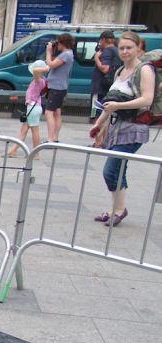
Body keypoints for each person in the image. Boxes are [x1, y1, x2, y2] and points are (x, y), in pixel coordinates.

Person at [88, 31, 153, 228]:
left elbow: (147, 99)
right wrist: (99, 123)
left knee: (111, 170)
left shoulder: (144, 70)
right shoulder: (119, 71)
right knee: (118, 169)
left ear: (138, 49)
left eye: (129, 48)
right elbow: (110, 102)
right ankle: (117, 209)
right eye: (122, 48)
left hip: (134, 129)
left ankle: (119, 210)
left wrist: (118, 107)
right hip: (117, 127)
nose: (125, 51)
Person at [5, 60, 47, 158]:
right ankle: (13, 150)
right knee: (24, 130)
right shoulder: (40, 80)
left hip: (33, 108)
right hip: (32, 107)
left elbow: (36, 71)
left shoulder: (39, 80)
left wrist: (46, 68)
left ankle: (36, 153)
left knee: (35, 131)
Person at [44, 33, 75, 143]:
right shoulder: (68, 54)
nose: (57, 45)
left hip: (56, 87)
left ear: (63, 43)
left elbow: (50, 65)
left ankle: (50, 138)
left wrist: (48, 52)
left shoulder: (65, 54)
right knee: (57, 112)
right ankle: (55, 137)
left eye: (58, 43)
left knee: (49, 112)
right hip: (60, 86)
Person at [90, 31, 120, 125]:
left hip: (100, 87)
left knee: (96, 112)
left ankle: (97, 134)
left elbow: (105, 68)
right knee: (107, 113)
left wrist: (96, 58)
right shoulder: (117, 50)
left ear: (103, 39)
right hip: (110, 86)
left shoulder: (107, 51)